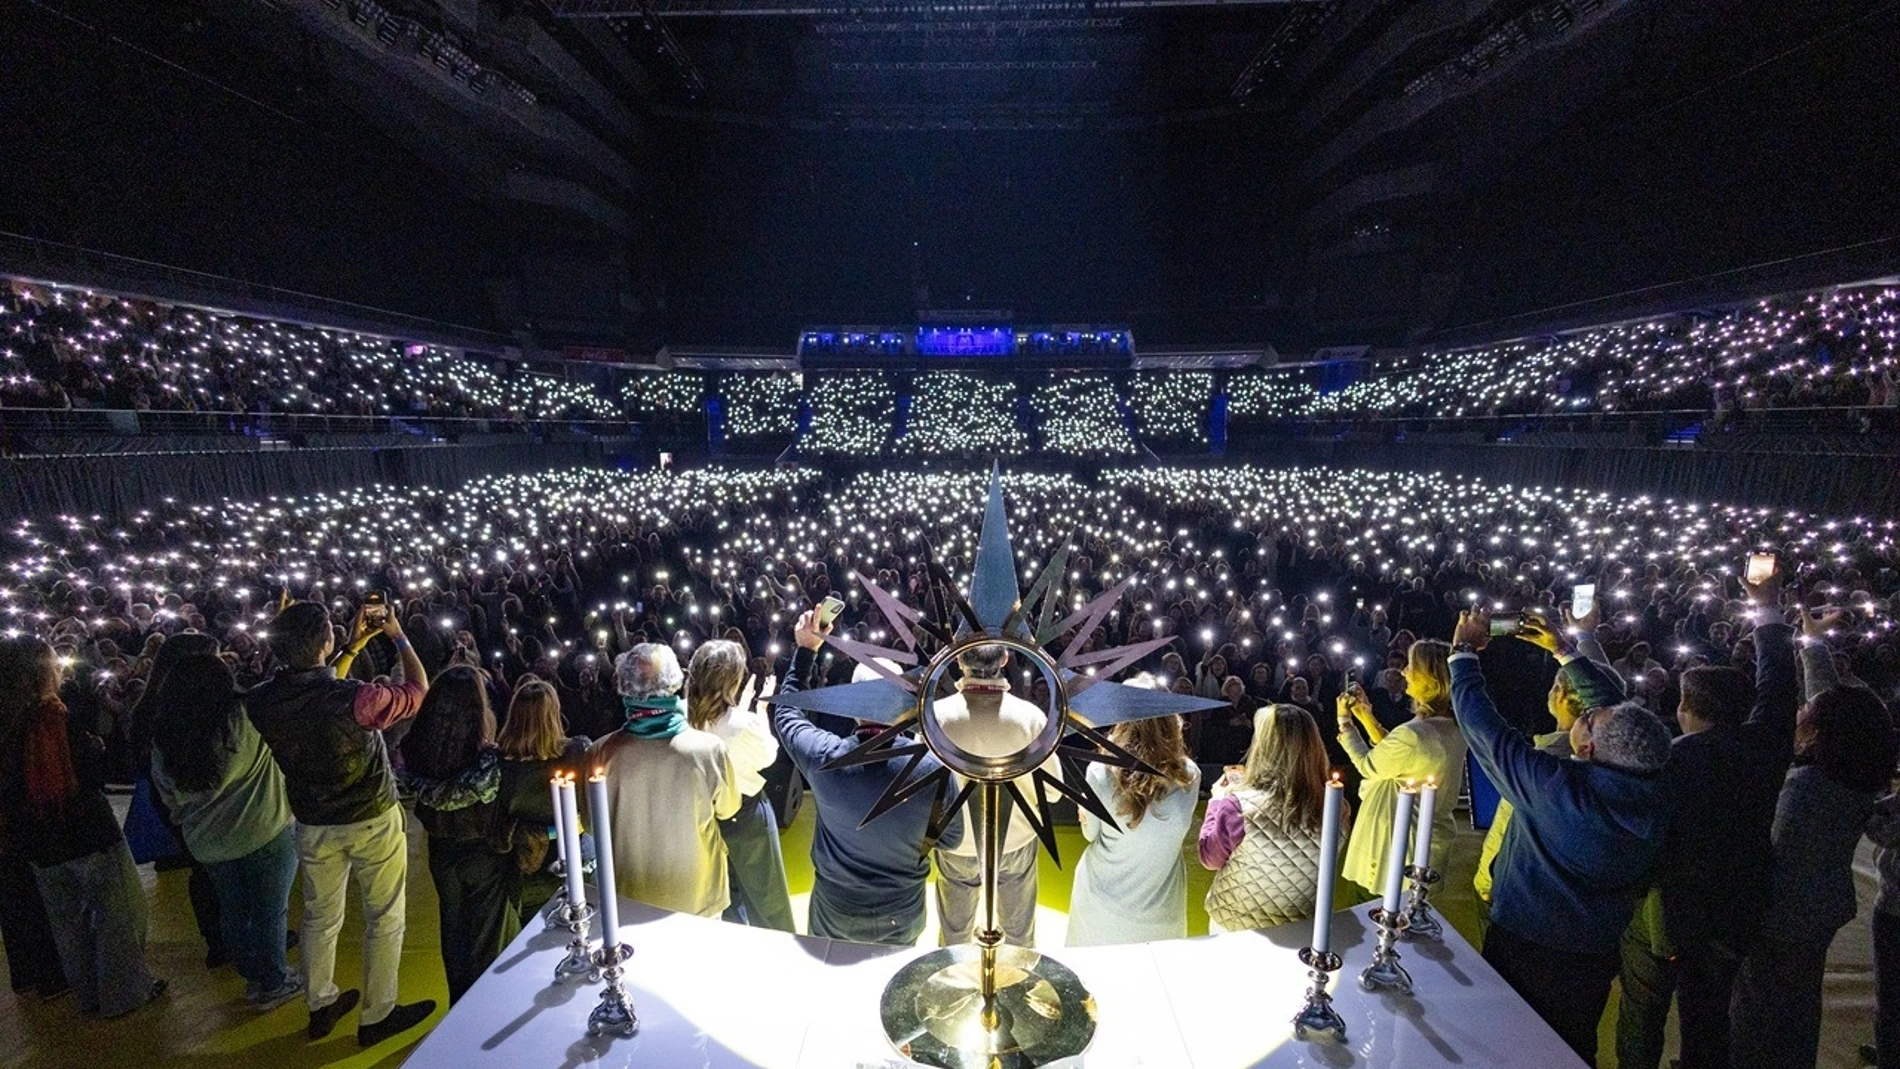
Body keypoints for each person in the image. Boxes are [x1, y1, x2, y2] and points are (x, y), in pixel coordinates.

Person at [1450, 608, 1673, 1064]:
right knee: (1571, 1046)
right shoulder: (1655, 785)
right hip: (1593, 950)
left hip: (1528, 943)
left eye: (1590, 719)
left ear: (1586, 747)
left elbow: (1486, 732)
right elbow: (1621, 717)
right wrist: (1564, 651)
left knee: (1507, 1042)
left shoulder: (1558, 790)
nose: (1588, 714)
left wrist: (1463, 654)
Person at [1616, 578, 1800, 1069]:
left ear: (1685, 709)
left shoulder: (1672, 761)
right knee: (1709, 1016)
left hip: (1668, 916)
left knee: (1643, 1014)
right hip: (1736, 912)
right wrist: (1767, 612)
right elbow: (1779, 683)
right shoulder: (1766, 747)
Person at [248, 602, 436, 1046]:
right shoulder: (358, 699)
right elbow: (418, 689)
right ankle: (378, 1014)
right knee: (385, 918)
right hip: (371, 816)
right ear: (325, 643)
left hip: (313, 822)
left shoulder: (260, 700)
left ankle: (320, 1004)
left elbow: (310, 688)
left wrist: (350, 647)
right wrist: (396, 635)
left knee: (319, 915)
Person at [1730, 635, 1897, 1069]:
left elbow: (1780, 856)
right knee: (1800, 1006)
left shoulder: (1805, 790)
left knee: (1761, 1011)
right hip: (1820, 912)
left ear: (1820, 731)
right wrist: (1813, 644)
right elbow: (1835, 706)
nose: (1800, 711)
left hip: (1784, 918)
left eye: (1807, 711)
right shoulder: (1853, 776)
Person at [769, 611, 965, 945]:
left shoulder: (824, 757)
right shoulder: (933, 767)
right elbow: (952, 840)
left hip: (836, 908)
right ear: (904, 704)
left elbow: (786, 712)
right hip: (902, 910)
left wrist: (806, 651)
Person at [0, 637, 163, 1018]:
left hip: (37, 843)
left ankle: (88, 995)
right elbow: (84, 778)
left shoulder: (6, 722)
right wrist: (94, 749)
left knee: (67, 924)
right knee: (118, 914)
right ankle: (125, 996)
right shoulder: (53, 717)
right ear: (42, 672)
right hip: (86, 833)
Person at [150, 652, 301, 1010]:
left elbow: (165, 789)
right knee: (269, 912)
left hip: (208, 842)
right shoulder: (246, 718)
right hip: (263, 829)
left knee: (233, 912)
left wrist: (186, 818)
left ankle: (254, 976)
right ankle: (274, 982)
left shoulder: (166, 736)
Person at [1472, 612, 1622, 911]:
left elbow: (1507, 829)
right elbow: (1611, 699)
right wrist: (1582, 640)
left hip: (1519, 901)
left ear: (1559, 695)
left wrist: (1462, 655)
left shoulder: (1543, 764)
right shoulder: (1622, 753)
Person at [591, 642, 740, 917]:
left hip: (626, 897)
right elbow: (729, 808)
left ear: (623, 686)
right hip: (696, 895)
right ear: (675, 682)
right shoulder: (708, 750)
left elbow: (590, 824)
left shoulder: (600, 752)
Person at [399, 666, 514, 1005]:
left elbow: (413, 790)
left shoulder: (413, 747)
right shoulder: (487, 757)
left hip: (441, 852)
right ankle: (482, 1012)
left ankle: (458, 1003)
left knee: (452, 930)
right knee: (487, 939)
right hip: (482, 851)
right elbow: (481, 793)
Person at [931, 641, 1056, 947]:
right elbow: (1052, 792)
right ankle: (1016, 988)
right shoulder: (1032, 717)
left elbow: (922, 788)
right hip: (1016, 843)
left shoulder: (935, 715)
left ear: (959, 660)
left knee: (955, 935)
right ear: (1005, 657)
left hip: (955, 845)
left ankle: (954, 989)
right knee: (1018, 935)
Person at [1067, 674, 1198, 946]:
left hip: (1101, 907)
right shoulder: (1190, 775)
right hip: (1162, 913)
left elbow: (1091, 834)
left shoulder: (1100, 771)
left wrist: (1085, 808)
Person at [1334, 639, 1465, 899]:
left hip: (1395, 842)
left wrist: (1345, 722)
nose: (1403, 672)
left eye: (1411, 666)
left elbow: (1369, 765)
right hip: (1427, 836)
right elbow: (1397, 755)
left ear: (1429, 678)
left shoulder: (1414, 735)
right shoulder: (1452, 726)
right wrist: (1367, 716)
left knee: (1377, 913)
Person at [1198, 704, 1337, 933]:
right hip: (1303, 925)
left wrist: (1217, 803)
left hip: (1238, 924)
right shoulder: (1335, 805)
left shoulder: (1238, 807)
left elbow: (1210, 858)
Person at [688, 640, 796, 932]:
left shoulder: (683, 717)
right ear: (733, 679)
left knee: (726, 896)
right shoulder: (742, 723)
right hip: (746, 814)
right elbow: (767, 756)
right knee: (768, 900)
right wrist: (760, 712)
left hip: (702, 816)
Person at [494, 677, 589, 916]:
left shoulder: (496, 763)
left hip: (519, 865)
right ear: (554, 714)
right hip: (571, 863)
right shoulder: (576, 754)